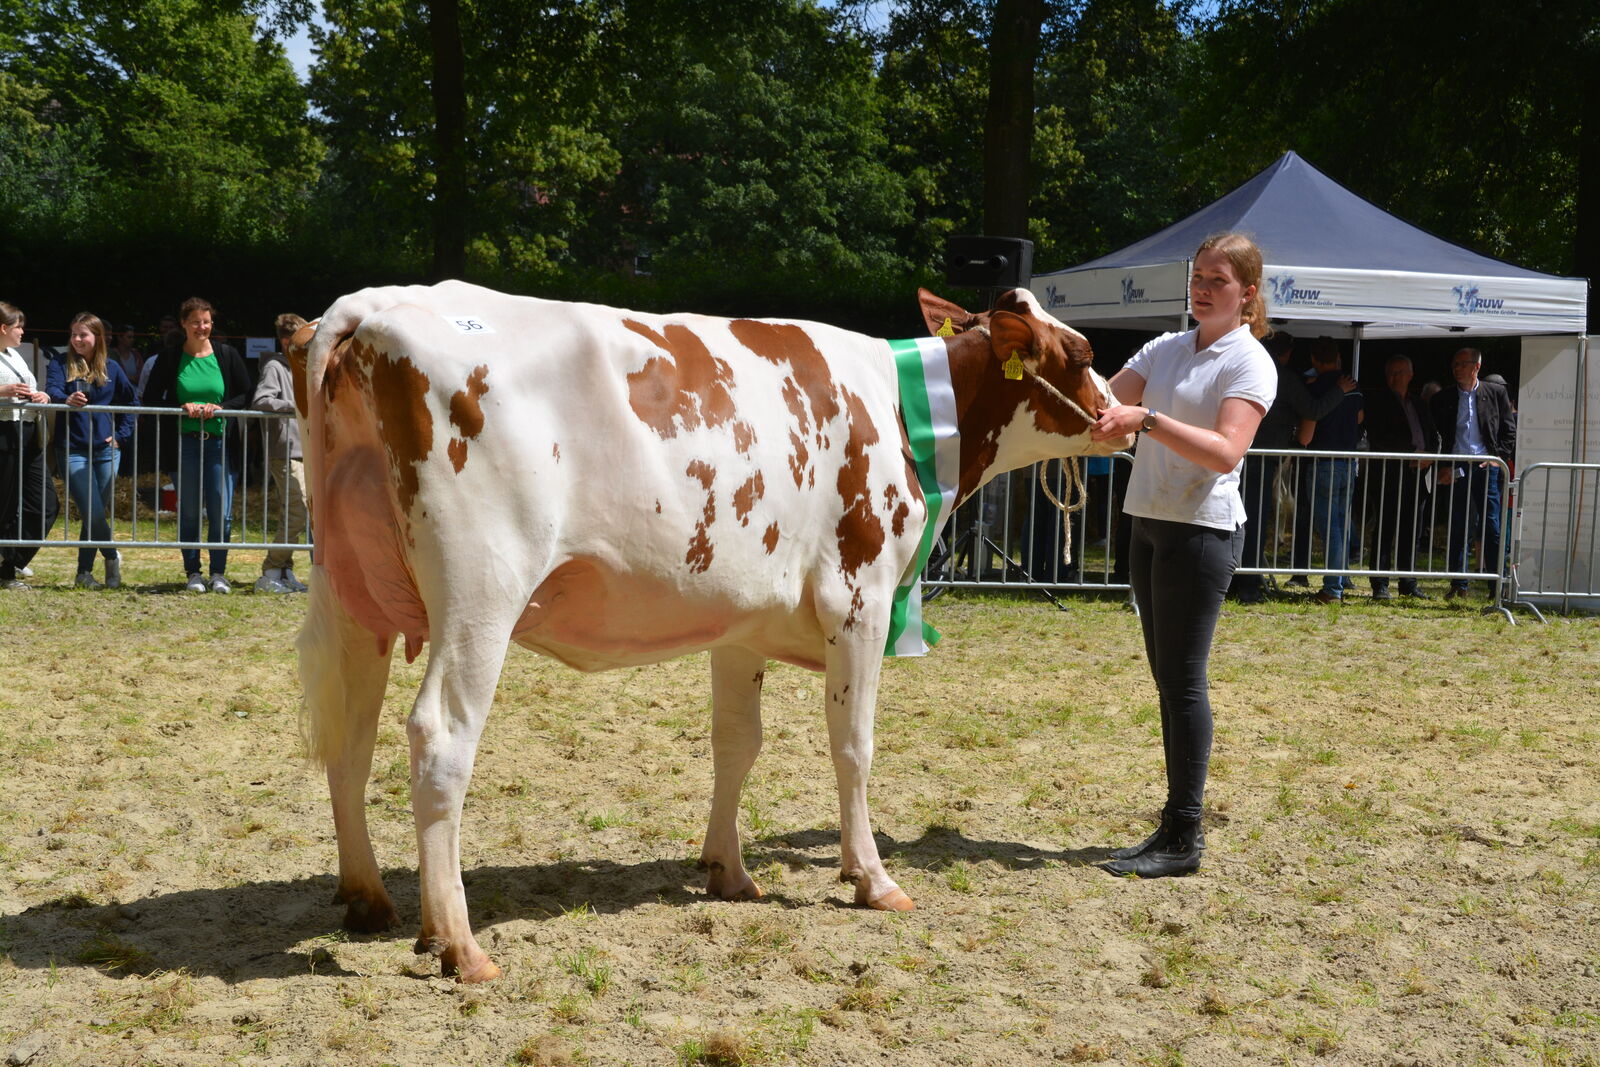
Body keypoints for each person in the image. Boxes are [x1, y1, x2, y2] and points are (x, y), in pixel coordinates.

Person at [1088, 232, 1276, 878]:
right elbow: (1102, 398)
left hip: (1201, 531)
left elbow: (1227, 451)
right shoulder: (1167, 347)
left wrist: (1146, 420)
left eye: (1217, 281)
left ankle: (1185, 833)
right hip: (1149, 521)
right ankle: (1172, 824)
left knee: (1185, 680)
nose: (1201, 289)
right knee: (1167, 679)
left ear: (1247, 295)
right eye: (1197, 277)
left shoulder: (1249, 362)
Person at [1231, 331, 1354, 602]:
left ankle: (1236, 582)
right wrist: (1339, 391)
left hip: (1239, 453)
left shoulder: (1247, 368)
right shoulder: (1283, 377)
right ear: (1287, 353)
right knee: (1255, 522)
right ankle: (1247, 587)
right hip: (1262, 458)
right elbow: (1312, 409)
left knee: (1239, 520)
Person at [142, 297, 251, 593]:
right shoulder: (170, 357)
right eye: (195, 322)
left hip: (220, 444)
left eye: (206, 322)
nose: (201, 327)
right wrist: (182, 405)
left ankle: (218, 573)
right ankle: (193, 573)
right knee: (189, 512)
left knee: (221, 512)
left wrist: (220, 407)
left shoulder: (227, 355)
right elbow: (151, 398)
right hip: (184, 445)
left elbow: (245, 394)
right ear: (184, 324)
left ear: (211, 323)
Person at [45, 312, 139, 589]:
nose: (76, 340)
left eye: (82, 335)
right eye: (73, 334)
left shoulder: (111, 366)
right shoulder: (60, 363)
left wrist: (121, 436)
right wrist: (66, 398)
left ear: (97, 337)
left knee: (93, 513)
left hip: (107, 450)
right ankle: (111, 555)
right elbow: (51, 390)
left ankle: (83, 573)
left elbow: (132, 402)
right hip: (71, 448)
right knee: (92, 509)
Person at [1430, 347, 1515, 599]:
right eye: (1454, 364)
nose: (1456, 368)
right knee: (1458, 524)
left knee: (1491, 526)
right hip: (1457, 466)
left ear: (1476, 367)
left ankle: (1494, 586)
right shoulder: (1443, 398)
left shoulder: (1496, 393)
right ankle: (1459, 584)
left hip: (1485, 466)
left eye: (1462, 364)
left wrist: (1496, 458)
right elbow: (1437, 435)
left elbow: (1509, 432)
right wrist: (1443, 465)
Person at [1363, 355, 1437, 599]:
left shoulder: (1419, 403)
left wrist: (1430, 457)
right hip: (1389, 475)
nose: (1396, 377)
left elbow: (1431, 435)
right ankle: (1380, 584)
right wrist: (1411, 453)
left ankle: (1408, 582)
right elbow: (1380, 437)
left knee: (1412, 530)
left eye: (1400, 372)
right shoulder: (1378, 402)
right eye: (1392, 373)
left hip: (1418, 475)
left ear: (1411, 375)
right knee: (1385, 529)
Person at [1296, 339, 1363, 603]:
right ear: (1337, 357)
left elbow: (1305, 437)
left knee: (1330, 528)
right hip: (1348, 462)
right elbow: (1359, 418)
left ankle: (1332, 588)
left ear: (1313, 359)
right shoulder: (1354, 387)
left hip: (1323, 462)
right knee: (1342, 524)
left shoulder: (1313, 389)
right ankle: (1341, 580)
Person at [0, 302, 58, 589]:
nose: (22, 331)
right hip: (3, 431)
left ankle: (13, 560)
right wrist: (3, 391)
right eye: (18, 326)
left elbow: (30, 387)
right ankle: (6, 570)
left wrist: (41, 396)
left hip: (28, 431)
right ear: (3, 328)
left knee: (46, 504)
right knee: (5, 504)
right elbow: (8, 391)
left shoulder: (16, 355)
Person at [252, 313, 310, 593]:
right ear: (287, 341)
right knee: (298, 511)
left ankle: (284, 571)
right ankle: (270, 572)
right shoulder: (275, 366)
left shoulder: (302, 364)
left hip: (305, 450)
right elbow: (262, 400)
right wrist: (296, 404)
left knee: (299, 512)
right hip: (284, 450)